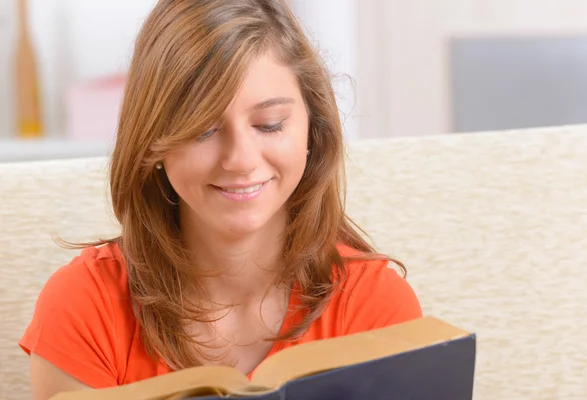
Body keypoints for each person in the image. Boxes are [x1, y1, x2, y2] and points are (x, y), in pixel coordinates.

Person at [19, 0, 422, 399]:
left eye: (269, 125)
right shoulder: (84, 305)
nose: (241, 161)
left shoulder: (375, 305)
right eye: (203, 130)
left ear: (312, 132)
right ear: (155, 143)